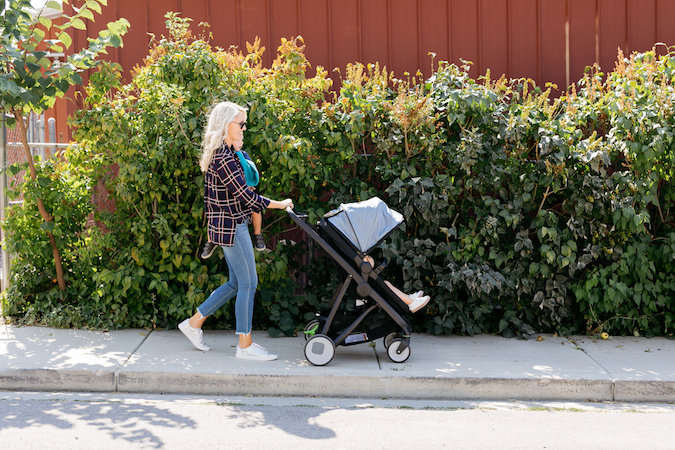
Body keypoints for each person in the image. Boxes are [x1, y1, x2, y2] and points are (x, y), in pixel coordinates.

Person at [179, 101, 294, 361]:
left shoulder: (228, 153)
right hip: (232, 227)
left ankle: (194, 323)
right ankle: (245, 344)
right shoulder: (222, 157)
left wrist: (239, 150)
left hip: (230, 224)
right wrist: (281, 203)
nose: (244, 128)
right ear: (225, 125)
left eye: (244, 123)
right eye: (240, 123)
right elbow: (247, 197)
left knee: (235, 283)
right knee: (248, 283)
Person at [200, 139, 267, 258]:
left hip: (245, 192)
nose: (240, 142)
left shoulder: (242, 155)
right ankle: (211, 241)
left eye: (241, 140)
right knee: (212, 214)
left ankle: (257, 235)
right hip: (229, 198)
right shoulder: (225, 157)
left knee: (256, 208)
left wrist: (250, 186)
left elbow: (250, 171)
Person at [363, 256, 431, 313]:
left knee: (386, 283)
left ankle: (408, 298)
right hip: (363, 281)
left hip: (364, 277)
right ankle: (411, 303)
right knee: (385, 285)